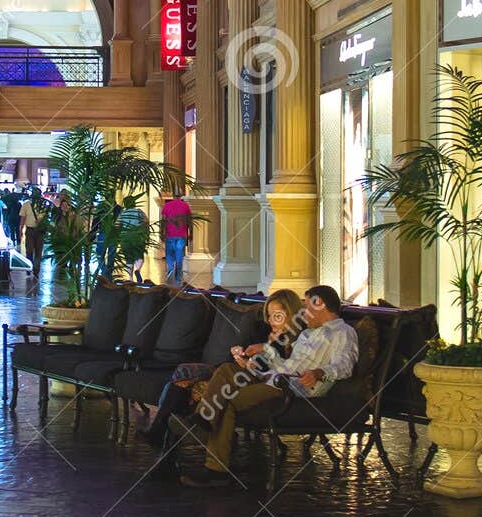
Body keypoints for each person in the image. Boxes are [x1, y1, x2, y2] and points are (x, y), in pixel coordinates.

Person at [180, 285, 359, 487]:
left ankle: (216, 469)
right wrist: (255, 359)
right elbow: (286, 365)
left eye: (308, 306)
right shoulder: (307, 334)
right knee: (227, 370)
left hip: (290, 388)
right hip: (276, 378)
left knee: (227, 401)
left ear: (321, 304)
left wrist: (320, 372)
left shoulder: (343, 332)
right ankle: (202, 420)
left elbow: (345, 365)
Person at [141, 288, 302, 456]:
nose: (271, 321)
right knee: (184, 381)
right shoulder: (270, 333)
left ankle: (164, 441)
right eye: (269, 316)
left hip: (250, 382)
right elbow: (257, 362)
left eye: (277, 315)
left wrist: (255, 358)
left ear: (291, 314)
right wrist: (242, 356)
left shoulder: (302, 339)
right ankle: (165, 444)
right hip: (235, 373)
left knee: (188, 387)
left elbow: (277, 372)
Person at [160, 190, 193, 284]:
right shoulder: (185, 205)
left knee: (169, 254)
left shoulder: (167, 206)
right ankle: (178, 278)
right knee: (179, 256)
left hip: (169, 234)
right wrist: (191, 233)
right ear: (181, 196)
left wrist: (161, 233)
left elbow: (163, 221)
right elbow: (189, 220)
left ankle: (170, 270)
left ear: (173, 196)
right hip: (181, 235)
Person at [117, 196, 147, 283]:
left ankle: (130, 278)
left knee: (128, 258)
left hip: (125, 238)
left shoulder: (122, 213)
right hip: (137, 237)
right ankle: (137, 270)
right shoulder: (139, 212)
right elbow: (146, 221)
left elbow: (117, 225)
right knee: (139, 256)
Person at [19, 188, 45, 279]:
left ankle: (33, 269)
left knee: (33, 251)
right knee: (34, 251)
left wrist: (21, 230)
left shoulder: (41, 205)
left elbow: (22, 219)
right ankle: (32, 269)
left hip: (36, 230)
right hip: (34, 230)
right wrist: (21, 230)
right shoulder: (28, 204)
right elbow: (22, 218)